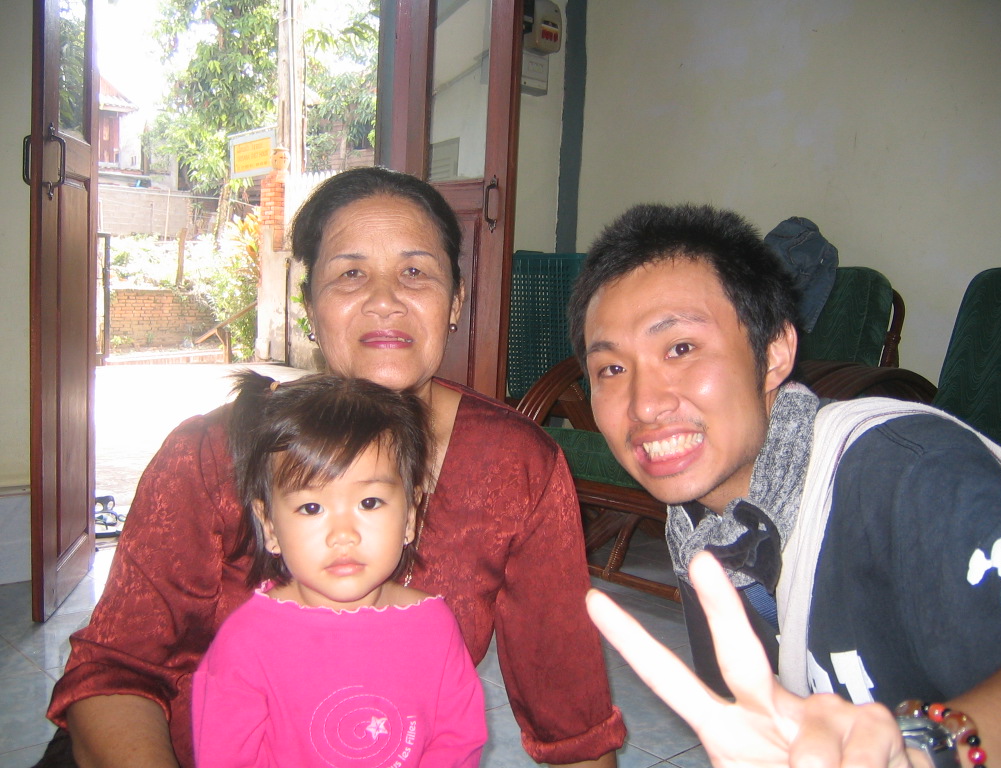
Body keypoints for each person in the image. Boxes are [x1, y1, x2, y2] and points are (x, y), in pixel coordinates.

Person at [45, 167, 625, 768]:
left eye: (415, 272)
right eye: (350, 273)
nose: (384, 299)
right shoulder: (211, 452)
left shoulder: (515, 467)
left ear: (455, 302)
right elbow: (114, 672)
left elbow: (572, 721)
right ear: (310, 305)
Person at [565, 202, 1001, 767]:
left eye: (681, 348)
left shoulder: (908, 472)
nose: (644, 404)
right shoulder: (704, 523)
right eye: (611, 369)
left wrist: (924, 753)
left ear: (774, 353)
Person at [191, 371, 486, 767]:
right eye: (311, 508)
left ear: (411, 515)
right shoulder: (246, 644)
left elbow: (457, 740)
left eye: (369, 503)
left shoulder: (435, 626)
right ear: (270, 526)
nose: (343, 534)